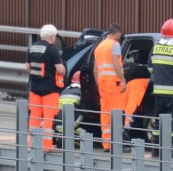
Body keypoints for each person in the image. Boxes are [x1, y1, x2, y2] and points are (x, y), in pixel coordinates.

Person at [148, 19, 173, 157]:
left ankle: (156, 149)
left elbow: (150, 69)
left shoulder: (155, 48)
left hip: (158, 92)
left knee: (158, 120)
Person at [25, 24, 66, 152]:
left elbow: (27, 68)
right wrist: (64, 70)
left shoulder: (32, 48)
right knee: (49, 117)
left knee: (34, 117)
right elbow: (60, 69)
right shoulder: (52, 49)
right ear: (52, 36)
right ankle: (46, 145)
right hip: (50, 89)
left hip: (35, 88)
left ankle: (32, 143)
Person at [93, 22, 127, 150]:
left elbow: (96, 70)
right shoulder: (115, 45)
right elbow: (116, 64)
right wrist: (123, 80)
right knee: (117, 113)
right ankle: (117, 144)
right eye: (119, 35)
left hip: (102, 83)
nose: (119, 37)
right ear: (116, 33)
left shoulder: (99, 47)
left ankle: (107, 143)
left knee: (105, 113)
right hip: (114, 83)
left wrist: (98, 83)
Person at [54, 70, 85, 139]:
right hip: (69, 125)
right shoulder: (81, 92)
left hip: (57, 125)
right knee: (85, 133)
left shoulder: (64, 91)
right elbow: (84, 110)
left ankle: (60, 138)